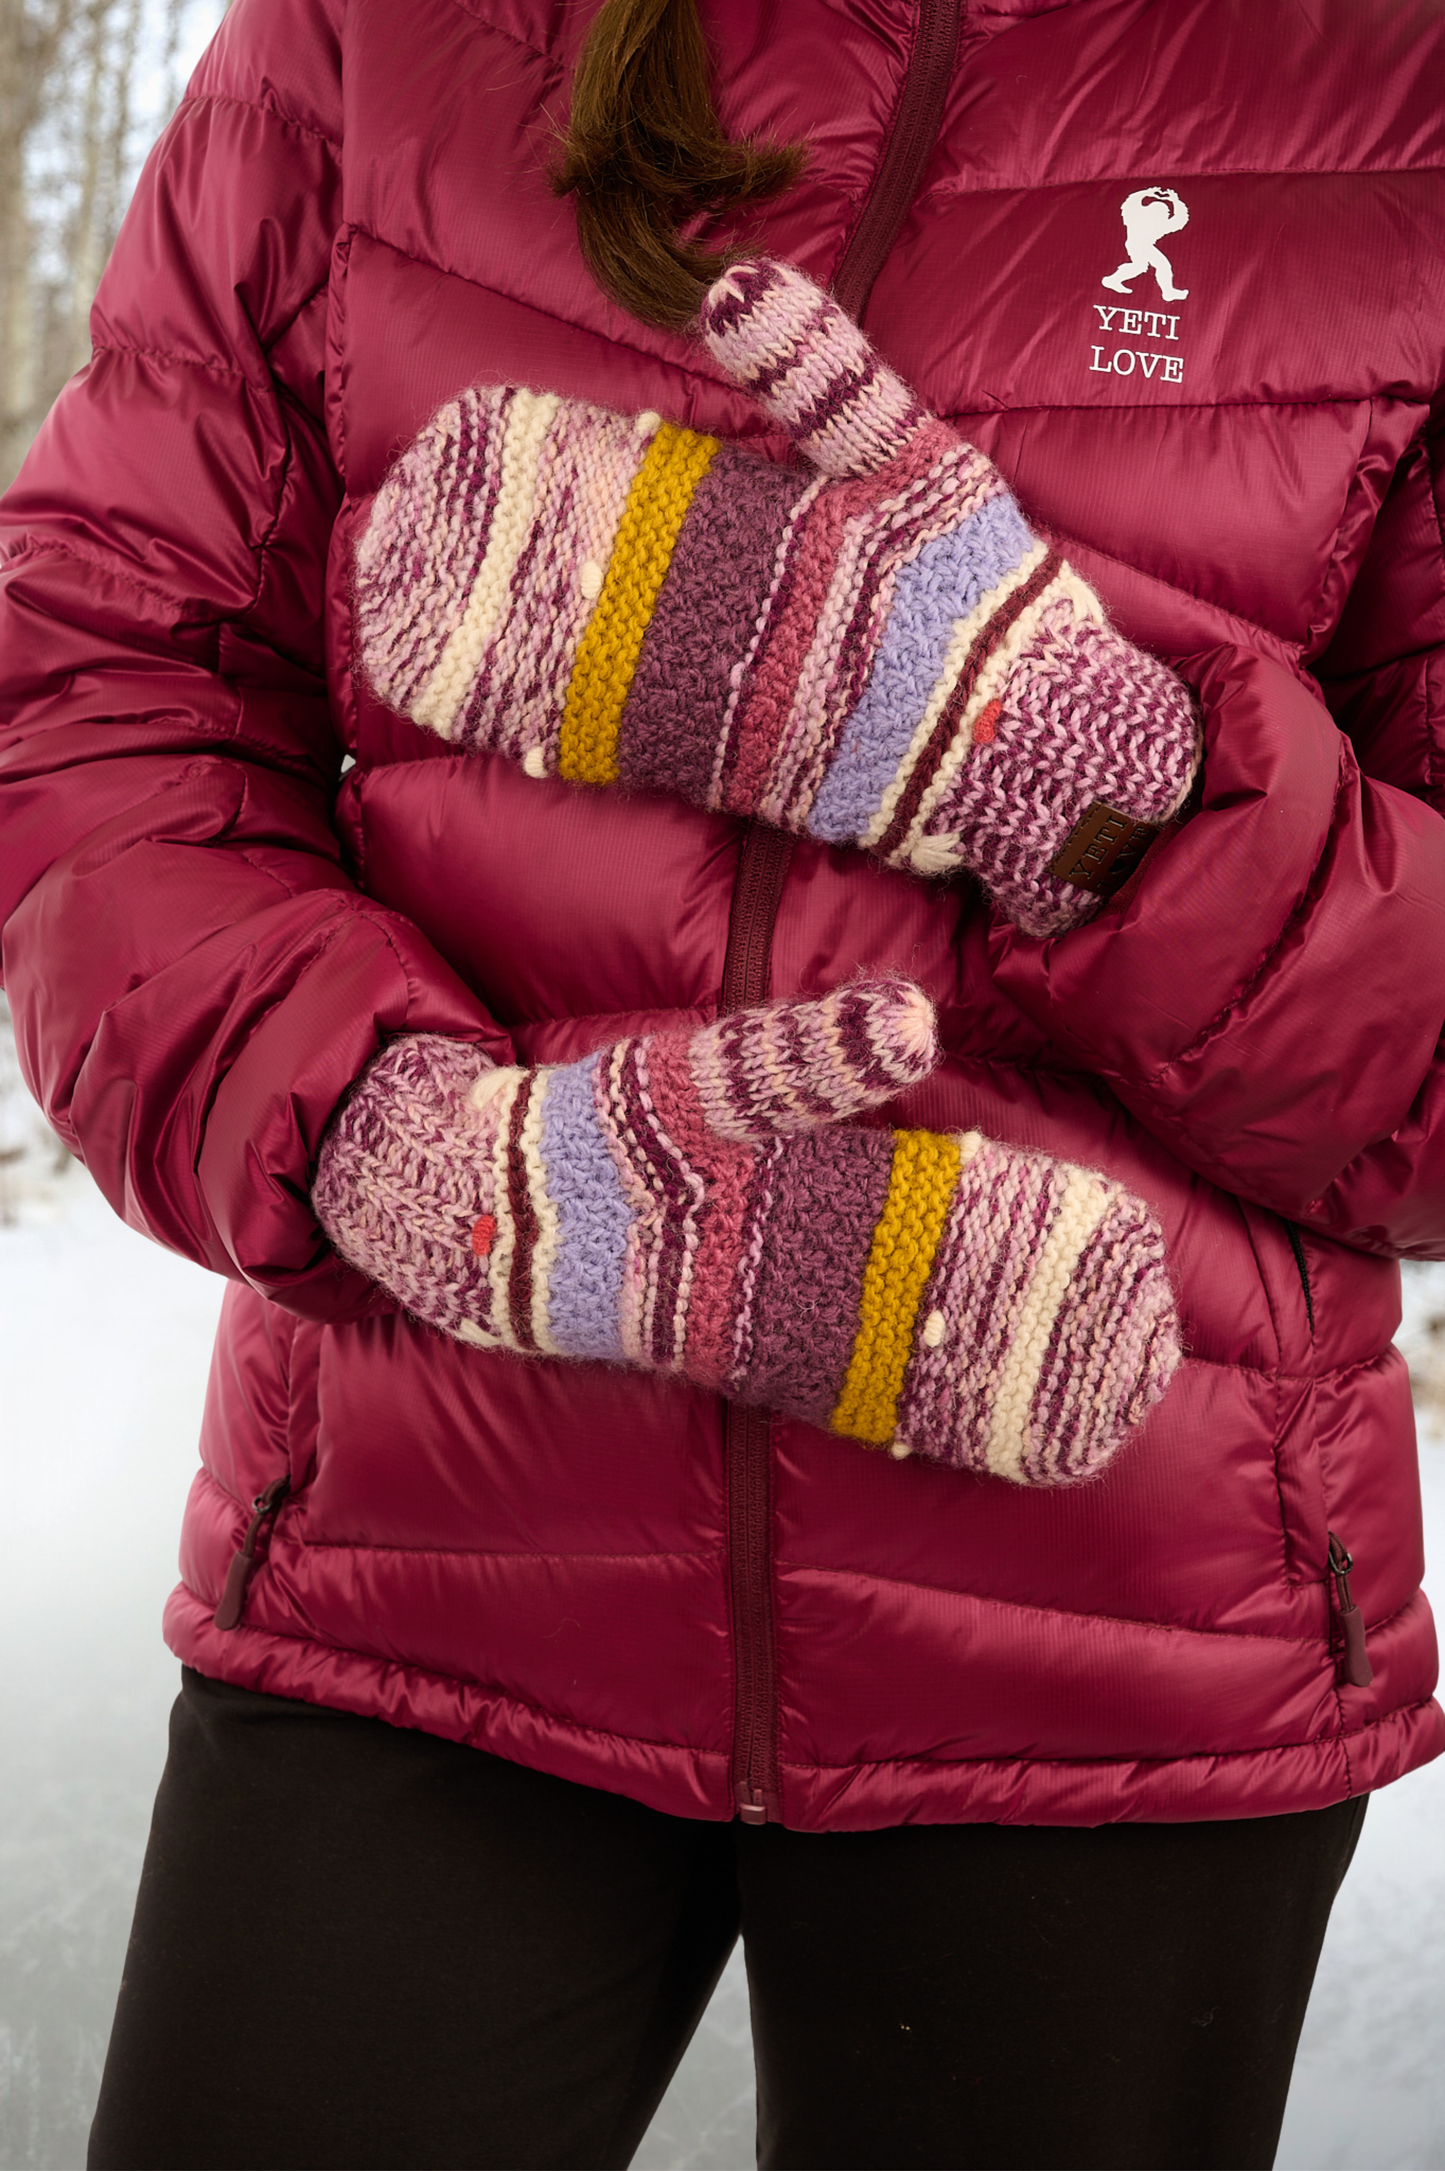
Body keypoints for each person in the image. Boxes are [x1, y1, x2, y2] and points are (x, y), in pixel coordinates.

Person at [0, 0, 1442, 2164]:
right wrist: (382, 1132)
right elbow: (99, 671)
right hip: (424, 1548)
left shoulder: (1394, 87)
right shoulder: (376, 36)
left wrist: (1104, 796)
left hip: (1117, 1637)